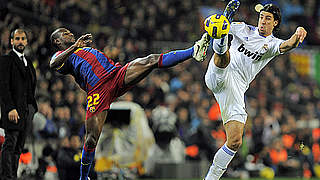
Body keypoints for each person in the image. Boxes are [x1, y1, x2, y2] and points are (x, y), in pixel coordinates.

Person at [49, 28, 210, 180]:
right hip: (98, 91)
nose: (70, 34)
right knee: (91, 139)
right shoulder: (61, 56)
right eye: (65, 33)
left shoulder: (81, 48)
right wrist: (76, 46)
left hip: (116, 74)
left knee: (150, 60)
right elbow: (53, 64)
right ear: (57, 41)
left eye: (69, 32)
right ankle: (83, 177)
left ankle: (193, 51)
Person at [203, 1, 307, 179]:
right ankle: (222, 36)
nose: (263, 21)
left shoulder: (272, 44)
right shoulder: (242, 28)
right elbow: (210, 27)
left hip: (235, 89)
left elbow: (288, 45)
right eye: (261, 17)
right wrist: (214, 27)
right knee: (224, 53)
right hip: (220, 73)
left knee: (235, 141)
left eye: (268, 18)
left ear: (275, 23)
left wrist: (298, 33)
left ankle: (210, 178)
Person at [0, 28, 38, 180]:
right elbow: (3, 86)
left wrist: (32, 108)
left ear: (27, 42)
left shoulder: (28, 61)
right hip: (13, 110)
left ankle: (13, 176)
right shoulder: (6, 59)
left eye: (23, 39)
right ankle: (6, 177)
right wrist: (10, 108)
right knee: (10, 145)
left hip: (27, 111)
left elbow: (31, 86)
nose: (20, 41)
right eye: (17, 39)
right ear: (11, 41)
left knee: (18, 148)